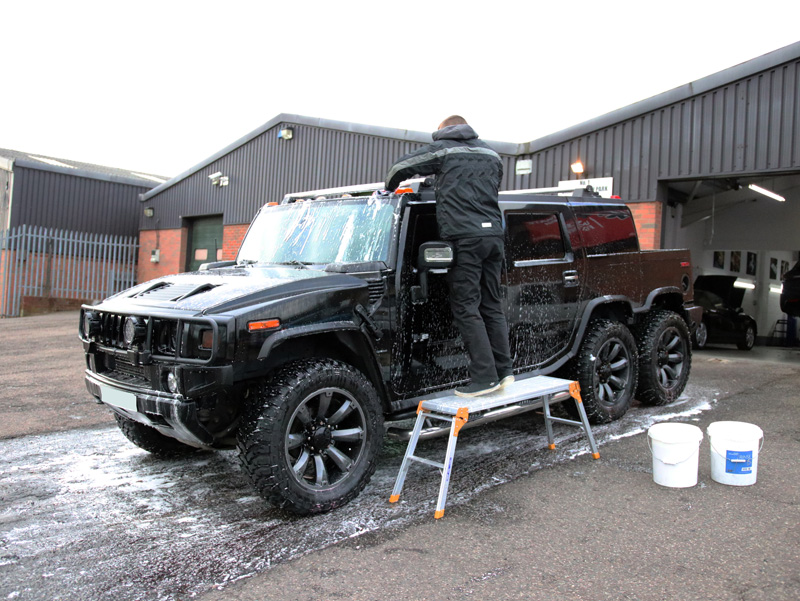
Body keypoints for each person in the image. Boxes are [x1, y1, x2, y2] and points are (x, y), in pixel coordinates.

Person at [385, 115, 513, 397]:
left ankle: (484, 378)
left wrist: (388, 188)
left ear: (444, 130)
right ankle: (504, 371)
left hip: (466, 238)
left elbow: (400, 167)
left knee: (466, 307)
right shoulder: (491, 154)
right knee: (491, 304)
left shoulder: (444, 149)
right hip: (493, 236)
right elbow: (480, 187)